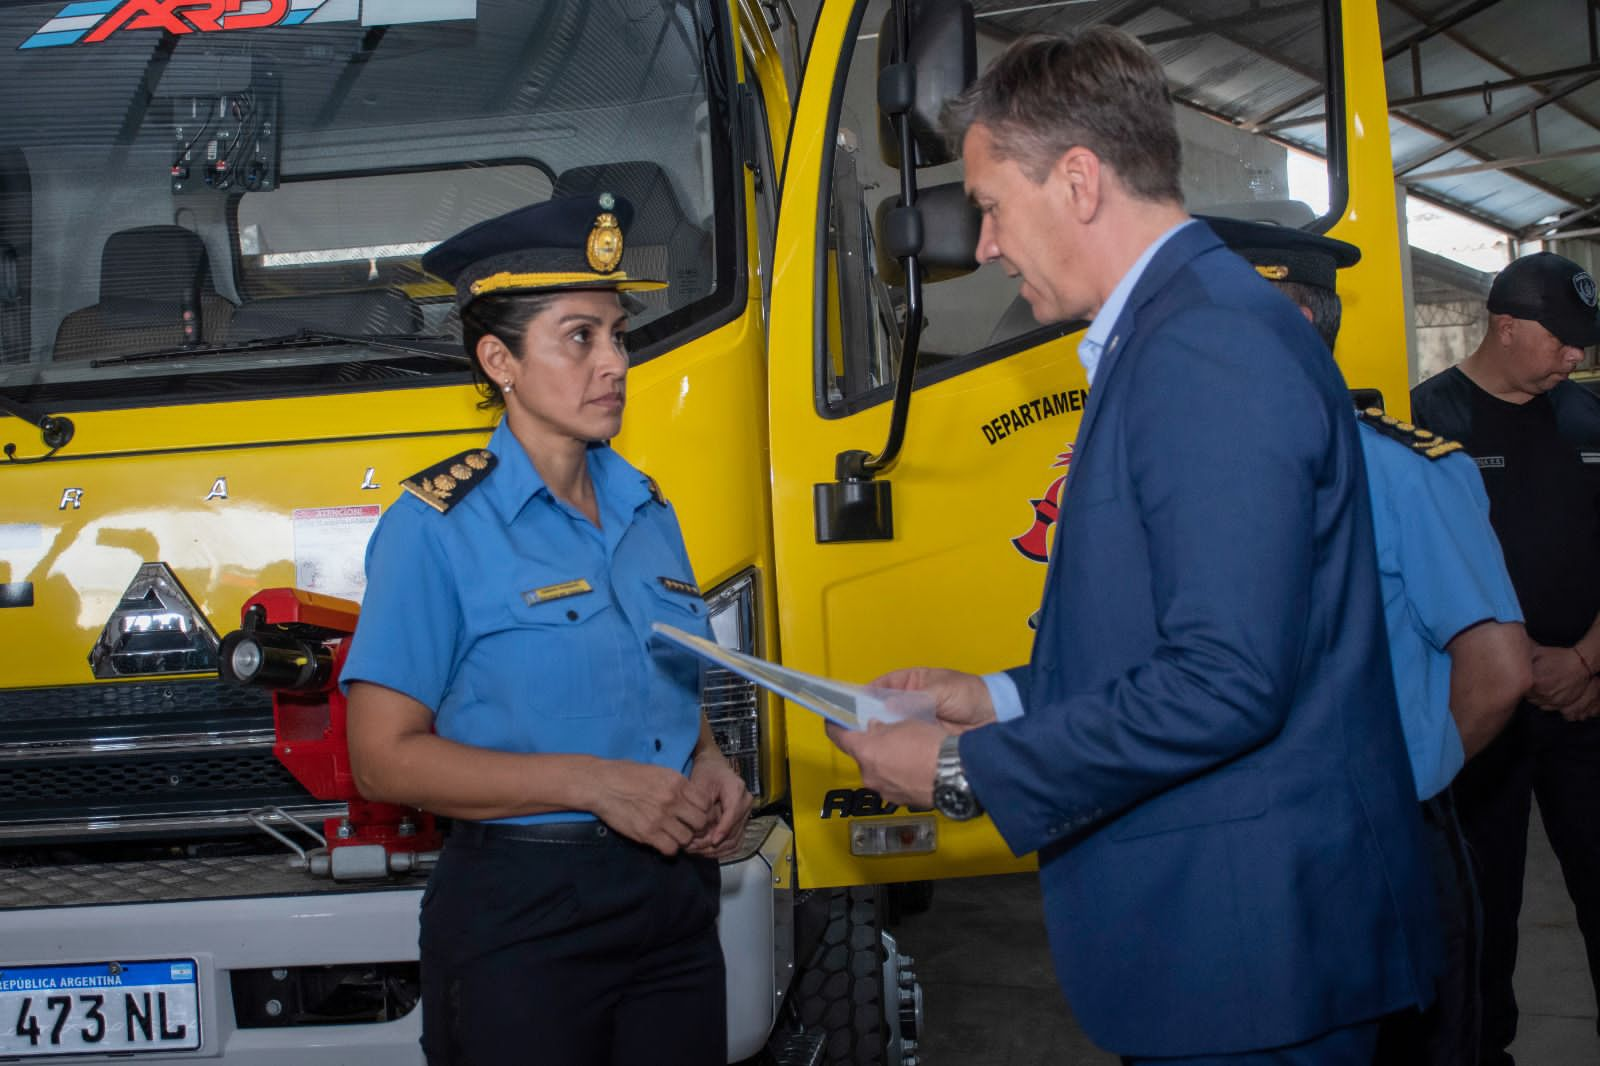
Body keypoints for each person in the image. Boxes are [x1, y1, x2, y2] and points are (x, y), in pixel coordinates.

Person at [827, 27, 1439, 1066]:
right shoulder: (1177, 330)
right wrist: (997, 697)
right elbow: (1181, 635)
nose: (981, 246)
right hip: (1235, 947)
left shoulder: (1203, 345)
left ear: (1077, 180)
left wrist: (963, 766)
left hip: (1251, 960)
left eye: (988, 206)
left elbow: (1225, 681)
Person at [338, 194, 752, 1066]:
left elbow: (661, 675)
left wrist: (708, 762)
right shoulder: (437, 525)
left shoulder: (646, 507)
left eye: (618, 333)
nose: (615, 363)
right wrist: (595, 785)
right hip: (525, 913)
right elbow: (383, 757)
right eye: (579, 337)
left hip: (674, 903)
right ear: (500, 360)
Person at [1212, 216, 1532, 1066]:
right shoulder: (1207, 479)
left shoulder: (1399, 472)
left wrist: (1400, 782)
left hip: (1381, 848)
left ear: (1293, 326)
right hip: (1246, 848)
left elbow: (1498, 671)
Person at [1411, 249, 1600, 1066]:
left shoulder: (1591, 422)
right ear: (1507, 324)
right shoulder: (1425, 426)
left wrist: (1589, 664)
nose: (1577, 356)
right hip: (1479, 721)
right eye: (1561, 339)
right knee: (1479, 921)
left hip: (1586, 707)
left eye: (1583, 340)